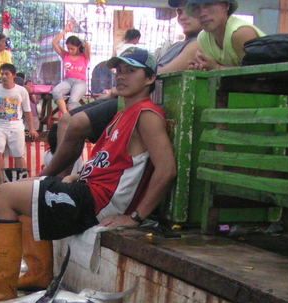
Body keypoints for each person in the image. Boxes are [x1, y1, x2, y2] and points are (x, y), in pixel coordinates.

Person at [0, 47, 175, 303]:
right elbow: (106, 164)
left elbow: (167, 169)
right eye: (119, 70)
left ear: (150, 78)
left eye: (131, 71)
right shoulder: (122, 114)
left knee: (5, 195)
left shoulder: (146, 115)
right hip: (87, 191)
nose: (121, 76)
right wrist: (76, 177)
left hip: (96, 202)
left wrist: (135, 217)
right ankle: (37, 273)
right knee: (25, 186)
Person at [41, 8, 199, 178]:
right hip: (128, 95)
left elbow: (157, 74)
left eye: (190, 9)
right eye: (179, 10)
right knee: (65, 120)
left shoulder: (198, 43)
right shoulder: (175, 46)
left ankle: (51, 181)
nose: (181, 15)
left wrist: (121, 88)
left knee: (76, 121)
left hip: (141, 98)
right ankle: (54, 180)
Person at [0, 63, 38, 186]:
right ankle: (2, 180)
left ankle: (20, 183)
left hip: (16, 125)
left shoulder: (22, 91)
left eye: (7, 74)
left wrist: (32, 129)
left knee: (19, 153)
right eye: (2, 74)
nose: (4, 77)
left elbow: (27, 112)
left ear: (14, 75)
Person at [168, 0, 263, 70]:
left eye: (208, 5)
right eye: (196, 8)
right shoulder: (203, 38)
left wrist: (217, 68)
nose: (202, 13)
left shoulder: (240, 33)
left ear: (226, 5)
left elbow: (258, 75)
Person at [51, 24, 91, 115]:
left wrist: (82, 40)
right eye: (68, 48)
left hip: (80, 82)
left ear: (78, 47)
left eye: (72, 49)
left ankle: (75, 123)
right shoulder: (65, 55)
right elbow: (54, 43)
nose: (70, 51)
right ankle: (66, 115)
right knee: (56, 91)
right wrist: (65, 31)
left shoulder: (85, 57)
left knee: (72, 102)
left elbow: (88, 46)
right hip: (67, 81)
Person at [155, 5, 203, 72]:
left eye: (191, 11)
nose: (182, 17)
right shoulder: (176, 45)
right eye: (180, 12)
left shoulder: (199, 44)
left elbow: (160, 74)